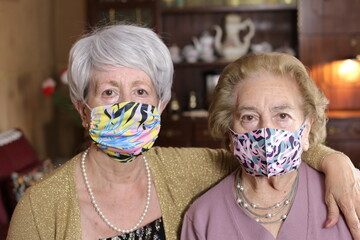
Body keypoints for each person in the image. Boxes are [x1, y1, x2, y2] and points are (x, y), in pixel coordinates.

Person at [6, 25, 360, 240]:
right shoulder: (41, 208)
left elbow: (264, 150)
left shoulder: (190, 170)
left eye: (142, 92)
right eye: (109, 93)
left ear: (160, 105)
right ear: (84, 111)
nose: (128, 107)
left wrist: (335, 161)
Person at [181, 52, 356, 239]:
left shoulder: (346, 194)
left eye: (282, 116)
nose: (266, 131)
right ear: (230, 133)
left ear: (306, 129)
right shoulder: (203, 217)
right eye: (249, 117)